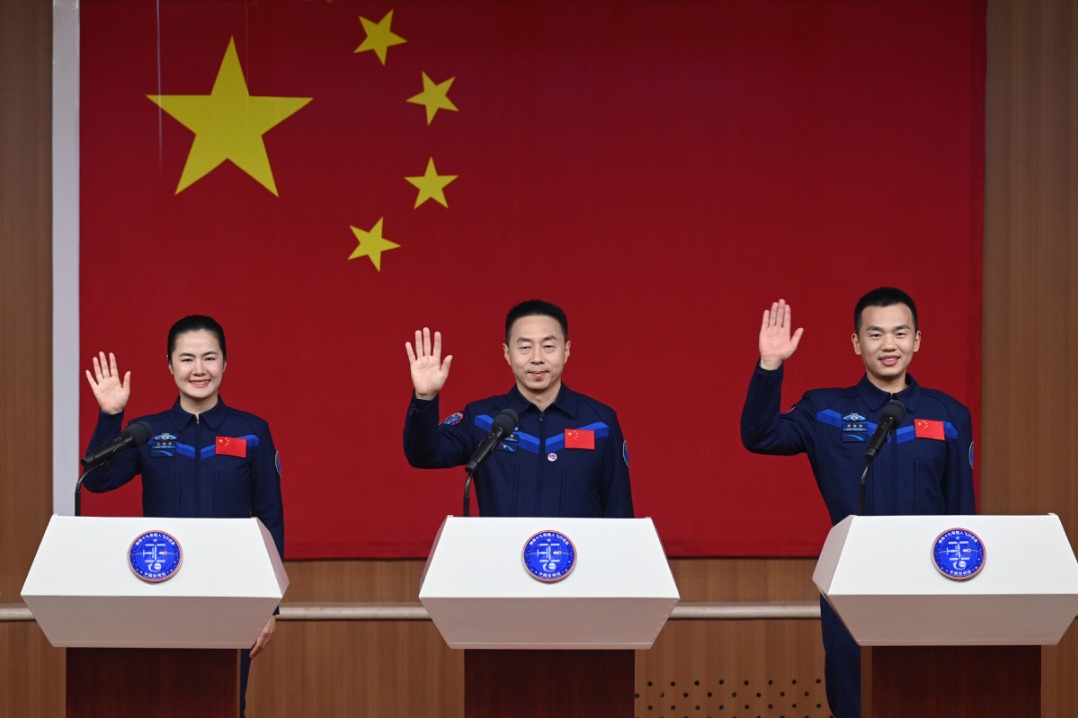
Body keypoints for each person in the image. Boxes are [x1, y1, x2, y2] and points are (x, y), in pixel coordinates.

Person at [740, 288, 975, 718]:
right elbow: (760, 436)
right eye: (876, 334)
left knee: (929, 696)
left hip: (929, 581)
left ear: (917, 340)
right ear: (856, 343)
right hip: (851, 579)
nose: (889, 345)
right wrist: (770, 367)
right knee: (854, 702)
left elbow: (963, 512)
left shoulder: (949, 415)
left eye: (900, 333)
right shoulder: (825, 410)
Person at [83, 315, 284, 717]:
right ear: (170, 366)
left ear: (225, 363)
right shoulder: (146, 431)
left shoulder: (252, 431)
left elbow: (269, 519)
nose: (199, 370)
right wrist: (110, 416)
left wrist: (269, 606)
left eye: (209, 358)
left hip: (231, 594)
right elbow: (98, 482)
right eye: (187, 358)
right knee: (158, 701)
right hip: (157, 587)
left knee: (224, 704)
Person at [403, 299, 633, 517]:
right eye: (524, 347)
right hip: (501, 556)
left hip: (579, 558)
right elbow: (424, 455)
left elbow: (619, 510)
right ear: (507, 353)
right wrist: (425, 397)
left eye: (549, 346)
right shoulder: (483, 419)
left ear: (566, 350)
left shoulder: (599, 422)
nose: (536, 358)